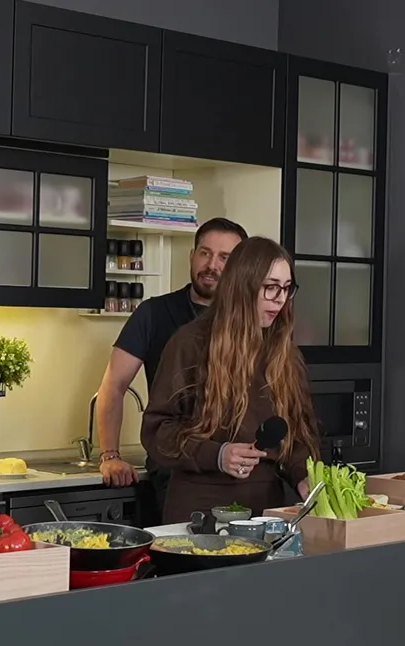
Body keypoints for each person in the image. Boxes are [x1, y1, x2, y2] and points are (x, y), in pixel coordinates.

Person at [140, 236, 320, 523]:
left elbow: (297, 435)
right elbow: (157, 431)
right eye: (271, 287)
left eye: (286, 288)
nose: (280, 298)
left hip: (265, 513)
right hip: (198, 511)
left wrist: (303, 477)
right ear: (242, 286)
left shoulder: (285, 354)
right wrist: (217, 455)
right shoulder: (190, 344)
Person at [94, 217, 248, 525]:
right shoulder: (153, 313)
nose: (211, 265)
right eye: (205, 253)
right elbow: (113, 385)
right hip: (176, 468)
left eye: (224, 258)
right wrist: (110, 456)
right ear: (192, 256)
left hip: (237, 471)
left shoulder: (250, 320)